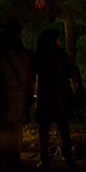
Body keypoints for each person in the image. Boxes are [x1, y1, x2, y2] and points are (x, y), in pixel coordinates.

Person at [33, 29, 76, 170]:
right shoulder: (60, 54)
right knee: (63, 127)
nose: (60, 41)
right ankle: (68, 157)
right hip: (59, 96)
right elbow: (69, 72)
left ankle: (44, 158)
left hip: (45, 96)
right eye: (58, 38)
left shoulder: (39, 55)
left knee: (44, 128)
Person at [1, 20, 33, 171]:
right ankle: (14, 161)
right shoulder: (22, 57)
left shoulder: (6, 59)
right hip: (17, 104)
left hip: (6, 105)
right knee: (14, 137)